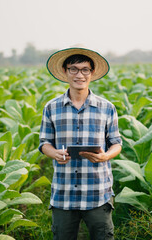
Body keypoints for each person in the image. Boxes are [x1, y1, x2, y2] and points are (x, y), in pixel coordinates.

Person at [38, 47, 122, 240]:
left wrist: (105, 156)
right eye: (74, 69)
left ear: (92, 73)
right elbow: (44, 143)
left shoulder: (107, 108)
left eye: (85, 70)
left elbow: (116, 143)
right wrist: (55, 154)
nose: (79, 75)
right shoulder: (51, 107)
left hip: (97, 191)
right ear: (66, 72)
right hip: (64, 193)